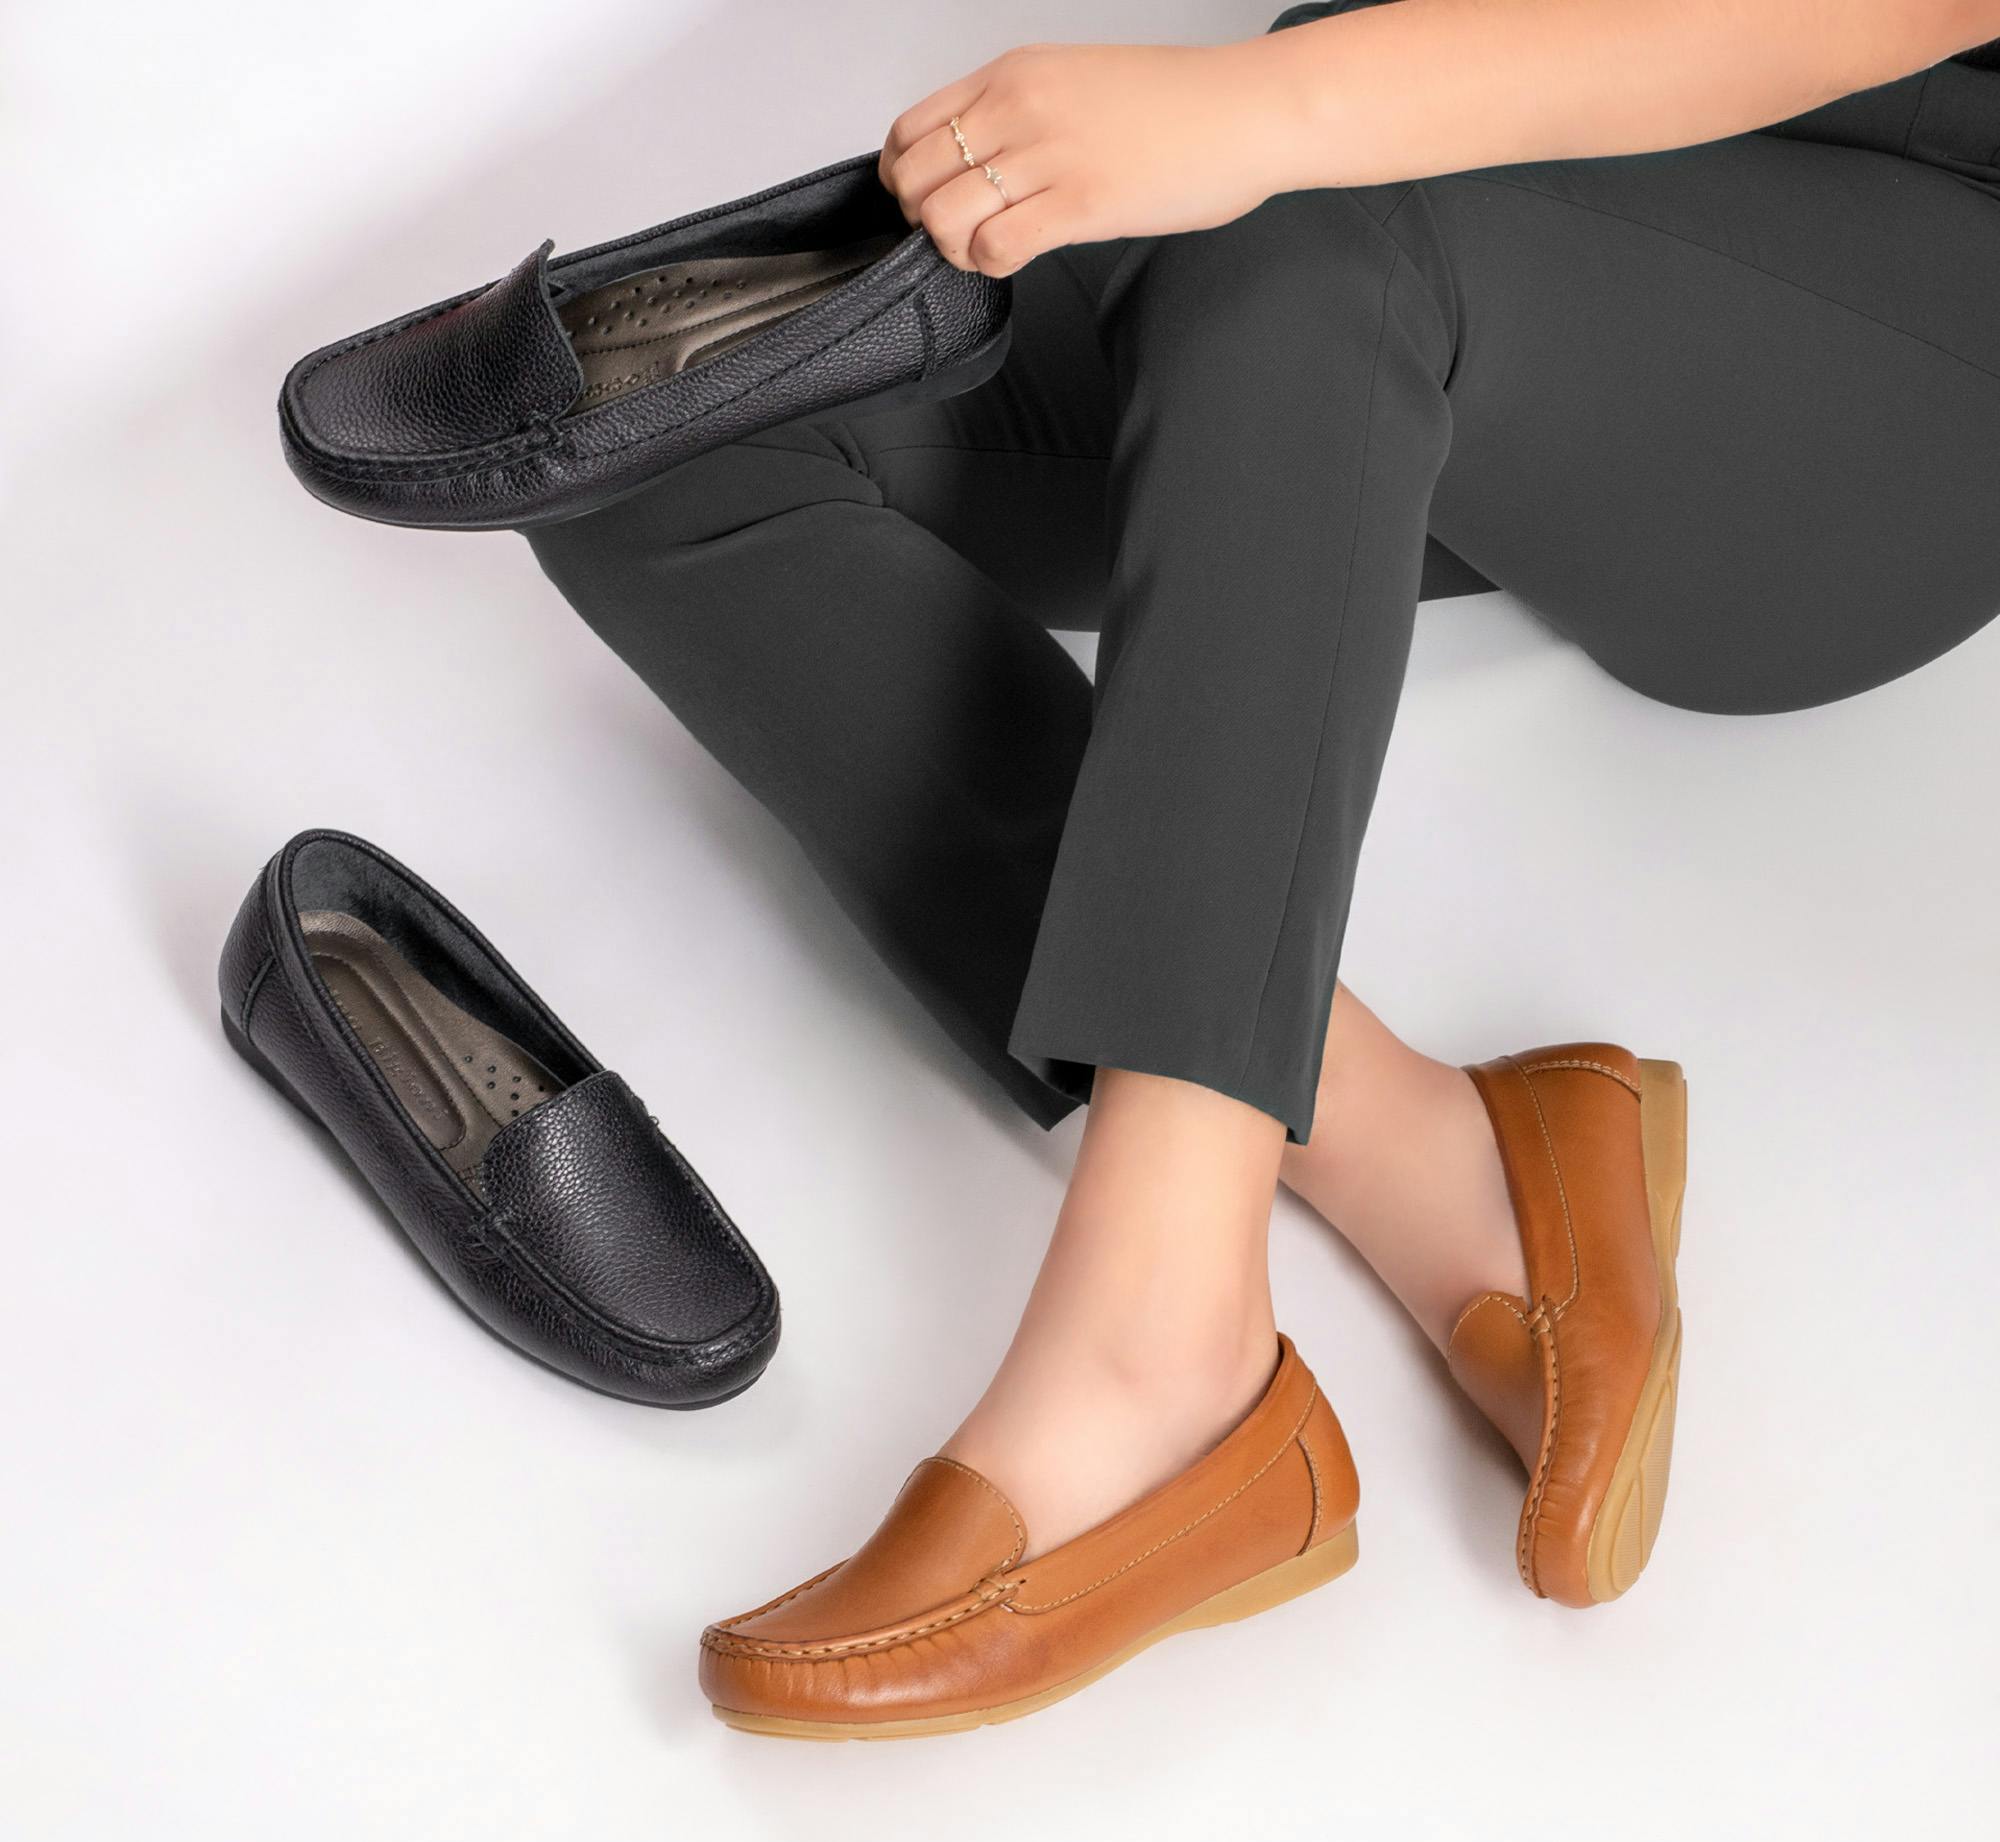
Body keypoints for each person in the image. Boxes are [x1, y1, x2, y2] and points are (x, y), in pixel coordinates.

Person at [528, 1, 2000, 1736]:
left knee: (1306, 221)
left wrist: (1267, 107)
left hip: (1902, 318)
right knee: (645, 418)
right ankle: (1428, 1153)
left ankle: (1162, 1350)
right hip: (1458, 144)